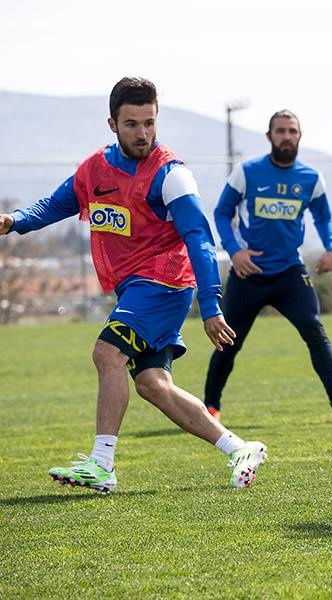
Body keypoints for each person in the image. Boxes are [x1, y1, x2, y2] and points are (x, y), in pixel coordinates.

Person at [0, 77, 268, 493]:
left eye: (149, 122)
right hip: (135, 289)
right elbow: (55, 204)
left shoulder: (171, 174)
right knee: (152, 385)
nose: (143, 133)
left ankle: (102, 464)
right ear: (113, 124)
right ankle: (240, 448)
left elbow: (199, 238)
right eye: (132, 124)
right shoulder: (95, 170)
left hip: (163, 283)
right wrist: (15, 221)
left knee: (106, 353)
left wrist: (211, 304)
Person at [203, 110, 332, 423]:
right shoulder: (247, 172)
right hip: (248, 274)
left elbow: (324, 217)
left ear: (299, 136)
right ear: (269, 136)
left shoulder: (310, 178)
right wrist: (235, 252)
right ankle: (210, 408)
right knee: (228, 341)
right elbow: (221, 212)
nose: (286, 136)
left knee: (315, 332)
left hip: (290, 272)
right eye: (280, 131)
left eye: (292, 131)